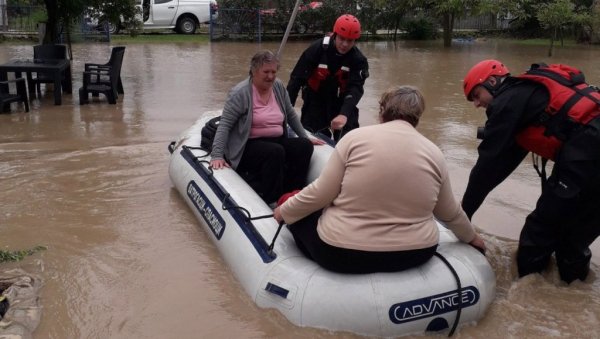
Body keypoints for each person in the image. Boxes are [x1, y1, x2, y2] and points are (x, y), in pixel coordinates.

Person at [273, 85, 486, 274]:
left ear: (382, 112)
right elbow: (449, 212)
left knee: (299, 216)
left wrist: (285, 210)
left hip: (341, 252)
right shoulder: (434, 153)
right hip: (415, 253)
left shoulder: (354, 139)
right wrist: (472, 238)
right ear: (417, 117)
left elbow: (320, 194)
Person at [462, 59, 600, 283]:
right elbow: (502, 165)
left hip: (587, 154)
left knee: (539, 231)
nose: (476, 104)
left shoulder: (506, 102)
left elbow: (486, 167)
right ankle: (570, 299)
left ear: (492, 81)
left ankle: (527, 292)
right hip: (589, 156)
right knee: (573, 241)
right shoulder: (527, 96)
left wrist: (463, 216)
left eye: (476, 95)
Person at [210, 50, 324, 205]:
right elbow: (225, 125)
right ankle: (271, 199)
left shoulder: (278, 87)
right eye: (266, 72)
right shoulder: (240, 93)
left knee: (303, 146)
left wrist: (305, 136)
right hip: (248, 145)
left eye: (273, 72)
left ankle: (293, 193)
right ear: (254, 71)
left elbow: (290, 114)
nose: (270, 76)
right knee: (275, 152)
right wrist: (217, 155)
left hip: (276, 139)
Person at [287, 14, 369, 141]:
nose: (345, 44)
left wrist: (344, 114)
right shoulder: (316, 50)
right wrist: (287, 110)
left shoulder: (358, 60)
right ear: (335, 34)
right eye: (342, 39)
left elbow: (355, 89)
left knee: (349, 137)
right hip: (315, 100)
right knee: (312, 136)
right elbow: (296, 80)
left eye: (350, 40)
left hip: (342, 102)